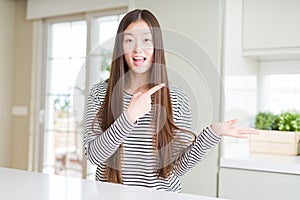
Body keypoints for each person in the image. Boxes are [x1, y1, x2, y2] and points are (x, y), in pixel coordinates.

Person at [83, 9, 258, 192]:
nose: (137, 49)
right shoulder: (100, 94)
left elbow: (177, 168)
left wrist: (213, 132)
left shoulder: (177, 98)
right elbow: (94, 156)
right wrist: (129, 117)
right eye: (129, 40)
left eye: (146, 40)